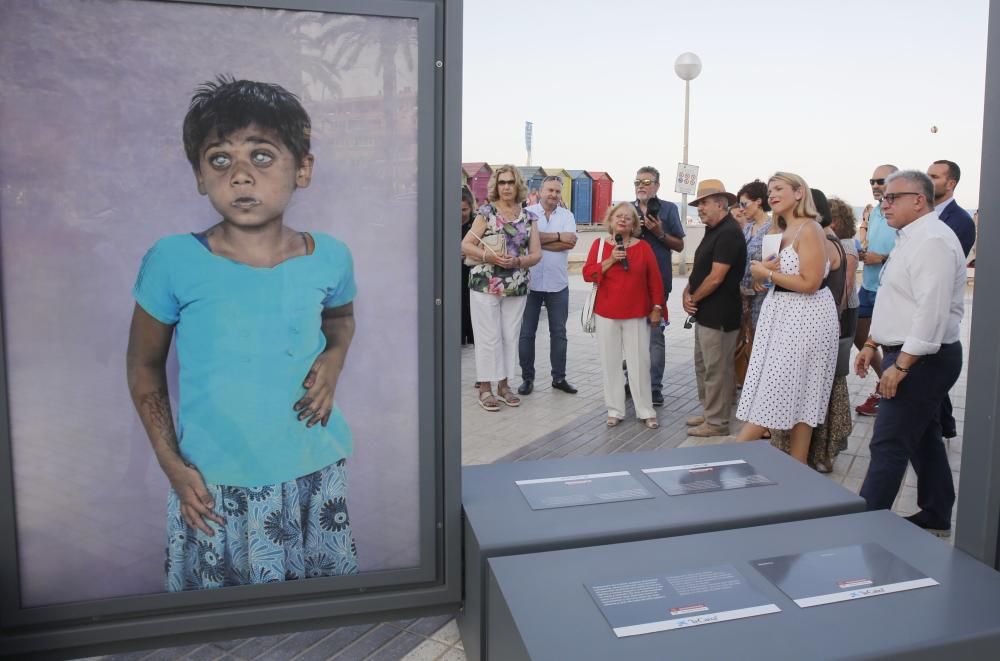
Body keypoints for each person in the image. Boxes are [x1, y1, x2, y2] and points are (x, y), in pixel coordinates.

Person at [127, 77, 359, 590]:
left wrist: (334, 360)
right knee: (223, 625)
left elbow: (340, 320)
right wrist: (171, 463)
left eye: (261, 156)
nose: (239, 176)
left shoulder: (331, 256)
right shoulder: (172, 260)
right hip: (214, 480)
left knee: (309, 613)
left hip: (312, 472)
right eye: (219, 160)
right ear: (198, 176)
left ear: (303, 169)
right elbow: (144, 365)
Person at [856, 170, 966, 538]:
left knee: (888, 442)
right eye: (882, 197)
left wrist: (901, 365)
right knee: (922, 438)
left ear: (919, 200)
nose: (883, 204)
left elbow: (929, 314)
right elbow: (895, 299)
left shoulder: (932, 239)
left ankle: (863, 528)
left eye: (891, 197)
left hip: (921, 358)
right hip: (906, 352)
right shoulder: (911, 237)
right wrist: (872, 344)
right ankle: (936, 513)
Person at [736, 173, 839, 464]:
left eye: (779, 189)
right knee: (799, 397)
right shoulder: (779, 230)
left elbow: (810, 283)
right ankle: (799, 467)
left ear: (798, 193)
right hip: (782, 316)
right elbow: (783, 279)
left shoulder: (809, 228)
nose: (772, 194)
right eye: (769, 191)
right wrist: (768, 275)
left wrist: (765, 273)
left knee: (775, 393)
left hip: (804, 320)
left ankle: (725, 460)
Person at [767, 188, 850, 470]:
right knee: (810, 405)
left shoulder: (824, 240)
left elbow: (822, 286)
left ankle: (814, 459)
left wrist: (767, 273)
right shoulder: (812, 235)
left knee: (814, 403)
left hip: (814, 329)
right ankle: (805, 462)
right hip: (812, 327)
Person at [461, 165, 542, 412]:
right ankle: (485, 388)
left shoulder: (529, 217)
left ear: (518, 185)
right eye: (502, 182)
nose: (506, 186)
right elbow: (466, 245)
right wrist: (490, 257)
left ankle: (504, 386)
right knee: (488, 337)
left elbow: (536, 254)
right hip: (485, 283)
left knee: (509, 336)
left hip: (516, 285)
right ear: (496, 186)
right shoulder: (486, 213)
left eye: (510, 182)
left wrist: (518, 261)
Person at [583, 202, 664, 429]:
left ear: (634, 224)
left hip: (636, 313)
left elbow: (655, 280)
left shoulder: (643, 247)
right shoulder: (599, 245)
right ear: (610, 220)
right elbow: (588, 274)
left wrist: (657, 307)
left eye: (628, 218)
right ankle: (615, 410)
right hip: (606, 313)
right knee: (610, 363)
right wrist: (610, 260)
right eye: (618, 216)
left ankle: (645, 410)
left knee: (640, 362)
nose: (623, 220)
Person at [682, 179, 747, 437]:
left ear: (721, 204)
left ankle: (717, 422)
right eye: (698, 204)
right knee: (705, 364)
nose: (699, 208)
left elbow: (717, 276)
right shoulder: (715, 229)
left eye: (704, 203)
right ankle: (711, 412)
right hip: (707, 313)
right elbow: (702, 268)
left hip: (720, 313)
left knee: (716, 368)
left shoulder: (729, 232)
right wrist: (688, 291)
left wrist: (693, 297)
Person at [927, 160, 975, 440]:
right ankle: (944, 425)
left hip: (938, 315)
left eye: (934, 176)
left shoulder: (960, 221)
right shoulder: (927, 216)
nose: (928, 179)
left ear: (951, 183)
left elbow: (941, 270)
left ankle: (941, 425)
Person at [517, 176, 579, 395]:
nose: (553, 194)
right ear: (540, 191)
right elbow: (523, 240)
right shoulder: (527, 213)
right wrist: (558, 237)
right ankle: (527, 379)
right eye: (549, 190)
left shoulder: (568, 215)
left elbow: (570, 243)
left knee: (559, 333)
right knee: (526, 333)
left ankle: (559, 378)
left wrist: (538, 242)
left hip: (557, 284)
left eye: (557, 191)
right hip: (530, 283)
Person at [632, 167, 685, 406]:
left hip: (658, 283)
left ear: (657, 185)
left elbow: (680, 246)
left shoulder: (669, 209)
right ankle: (631, 381)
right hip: (629, 283)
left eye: (646, 181)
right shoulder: (626, 210)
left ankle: (654, 388)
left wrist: (659, 232)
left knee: (655, 336)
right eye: (637, 181)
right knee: (630, 337)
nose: (641, 185)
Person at [855, 164, 899, 416]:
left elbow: (908, 250)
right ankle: (884, 383)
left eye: (880, 181)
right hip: (869, 285)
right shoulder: (875, 212)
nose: (874, 185)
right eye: (872, 181)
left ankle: (888, 392)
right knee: (860, 336)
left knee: (889, 344)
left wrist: (881, 258)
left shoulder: (899, 212)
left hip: (888, 288)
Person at [737, 179, 773, 333]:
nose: (741, 209)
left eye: (744, 204)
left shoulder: (773, 228)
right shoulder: (748, 228)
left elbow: (776, 262)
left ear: (758, 201)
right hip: (743, 297)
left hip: (761, 298)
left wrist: (762, 278)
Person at [830, 197, 860, 340]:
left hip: (845, 309)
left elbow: (847, 285)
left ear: (834, 222)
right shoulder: (837, 244)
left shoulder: (846, 246)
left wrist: (838, 312)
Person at [460, 185, 476, 346]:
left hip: (471, 275)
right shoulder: (446, 225)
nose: (460, 214)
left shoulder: (476, 225)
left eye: (464, 210)